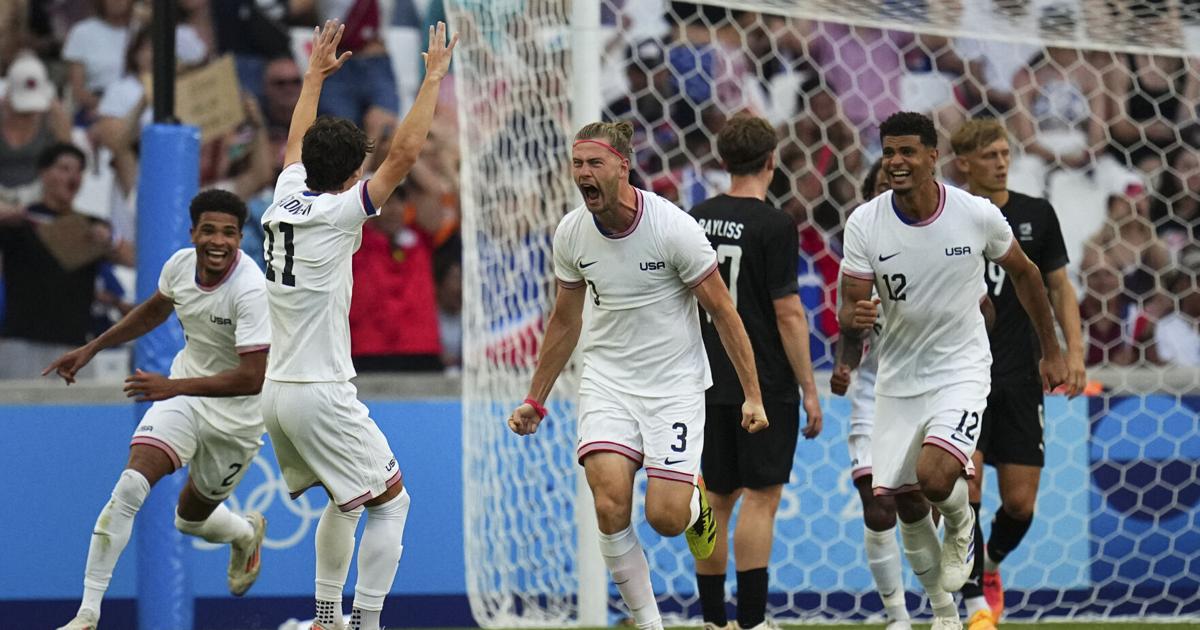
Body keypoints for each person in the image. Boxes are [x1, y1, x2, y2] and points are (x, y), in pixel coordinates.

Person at [507, 120, 768, 630]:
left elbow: (723, 312)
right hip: (607, 381)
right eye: (577, 163)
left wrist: (752, 395)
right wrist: (536, 400)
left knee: (665, 519)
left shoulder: (673, 228)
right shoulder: (571, 232)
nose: (582, 173)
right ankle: (649, 623)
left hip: (673, 387)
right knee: (609, 505)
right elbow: (565, 319)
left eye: (594, 163)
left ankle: (693, 501)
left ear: (622, 167)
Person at [258, 20, 455, 630]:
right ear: (350, 176)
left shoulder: (283, 195)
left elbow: (294, 144)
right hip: (321, 390)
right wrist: (432, 79)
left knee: (347, 504)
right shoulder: (342, 213)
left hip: (278, 391)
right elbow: (403, 155)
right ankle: (365, 622)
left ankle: (325, 617)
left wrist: (314, 78)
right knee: (393, 506)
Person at [838, 112, 1067, 630]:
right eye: (889, 152)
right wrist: (856, 318)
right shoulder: (864, 223)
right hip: (897, 375)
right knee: (907, 502)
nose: (897, 162)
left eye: (907, 152)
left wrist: (1051, 351)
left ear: (932, 156)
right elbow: (848, 308)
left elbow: (1029, 277)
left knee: (937, 476)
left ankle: (962, 525)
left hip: (962, 368)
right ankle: (944, 614)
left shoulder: (975, 214)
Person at [45, 189, 270, 630]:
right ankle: (87, 614)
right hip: (183, 398)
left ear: (240, 238)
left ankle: (245, 533)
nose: (218, 241)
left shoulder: (251, 289)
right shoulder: (180, 266)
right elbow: (153, 311)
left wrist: (171, 385)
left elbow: (252, 377)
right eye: (209, 230)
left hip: (238, 418)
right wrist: (92, 347)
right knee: (129, 487)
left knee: (189, 521)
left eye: (229, 232)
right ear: (194, 233)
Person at [950, 118, 1087, 629]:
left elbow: (1059, 287)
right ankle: (974, 608)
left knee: (1020, 505)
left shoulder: (1035, 214)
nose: (1002, 162)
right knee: (968, 495)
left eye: (1005, 153)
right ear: (964, 163)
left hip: (1020, 377)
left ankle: (987, 568)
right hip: (964, 377)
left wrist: (1073, 353)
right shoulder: (952, 215)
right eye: (989, 155)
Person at [689, 114, 823, 630]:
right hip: (762, 382)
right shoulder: (775, 224)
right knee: (761, 501)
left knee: (715, 499)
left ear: (724, 161)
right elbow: (788, 312)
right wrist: (808, 389)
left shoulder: (695, 217)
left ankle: (710, 620)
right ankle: (750, 622)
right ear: (772, 162)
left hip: (705, 378)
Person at [830, 158, 912, 630]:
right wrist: (844, 364)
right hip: (874, 393)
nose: (890, 192)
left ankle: (944, 603)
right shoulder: (858, 256)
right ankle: (898, 616)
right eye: (881, 186)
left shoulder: (935, 243)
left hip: (928, 387)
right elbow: (849, 327)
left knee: (926, 500)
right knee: (878, 503)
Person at [0, 143, 132, 379]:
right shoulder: (19, 223)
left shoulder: (90, 227)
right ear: (43, 173)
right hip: (22, 343)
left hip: (75, 346)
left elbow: (134, 260)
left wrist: (110, 240)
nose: (73, 176)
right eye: (64, 168)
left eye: (78, 170)